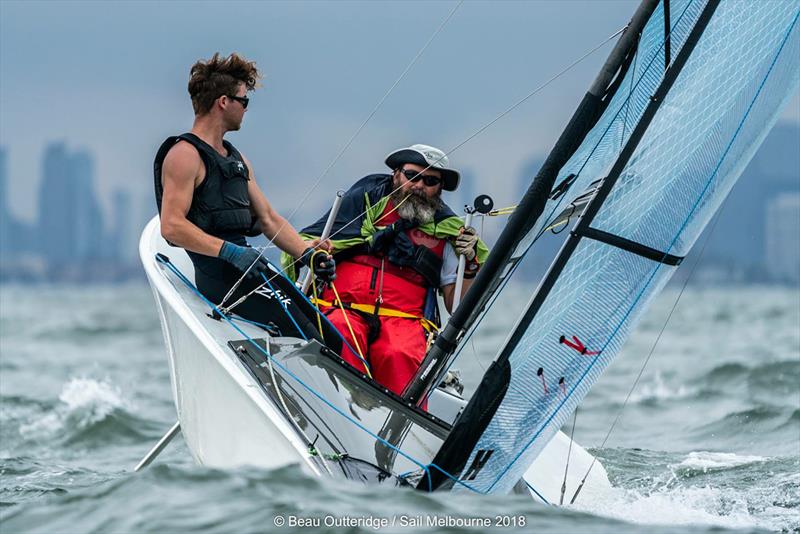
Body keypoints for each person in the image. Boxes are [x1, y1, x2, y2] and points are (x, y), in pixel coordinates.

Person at [154, 52, 336, 339]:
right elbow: (171, 226)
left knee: (330, 336)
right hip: (220, 276)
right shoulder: (184, 155)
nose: (246, 109)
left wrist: (307, 253)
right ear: (223, 102)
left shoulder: (237, 159)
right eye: (244, 101)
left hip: (249, 270)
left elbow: (268, 219)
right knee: (311, 336)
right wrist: (230, 252)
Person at [287, 144, 488, 396]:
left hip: (405, 321)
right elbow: (303, 247)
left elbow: (456, 305)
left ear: (439, 189)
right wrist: (315, 249)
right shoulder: (356, 209)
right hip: (343, 308)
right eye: (412, 175)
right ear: (396, 174)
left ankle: (395, 427)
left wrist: (469, 264)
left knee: (399, 353)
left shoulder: (450, 232)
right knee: (340, 331)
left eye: (430, 180)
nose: (419, 185)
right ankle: (333, 402)